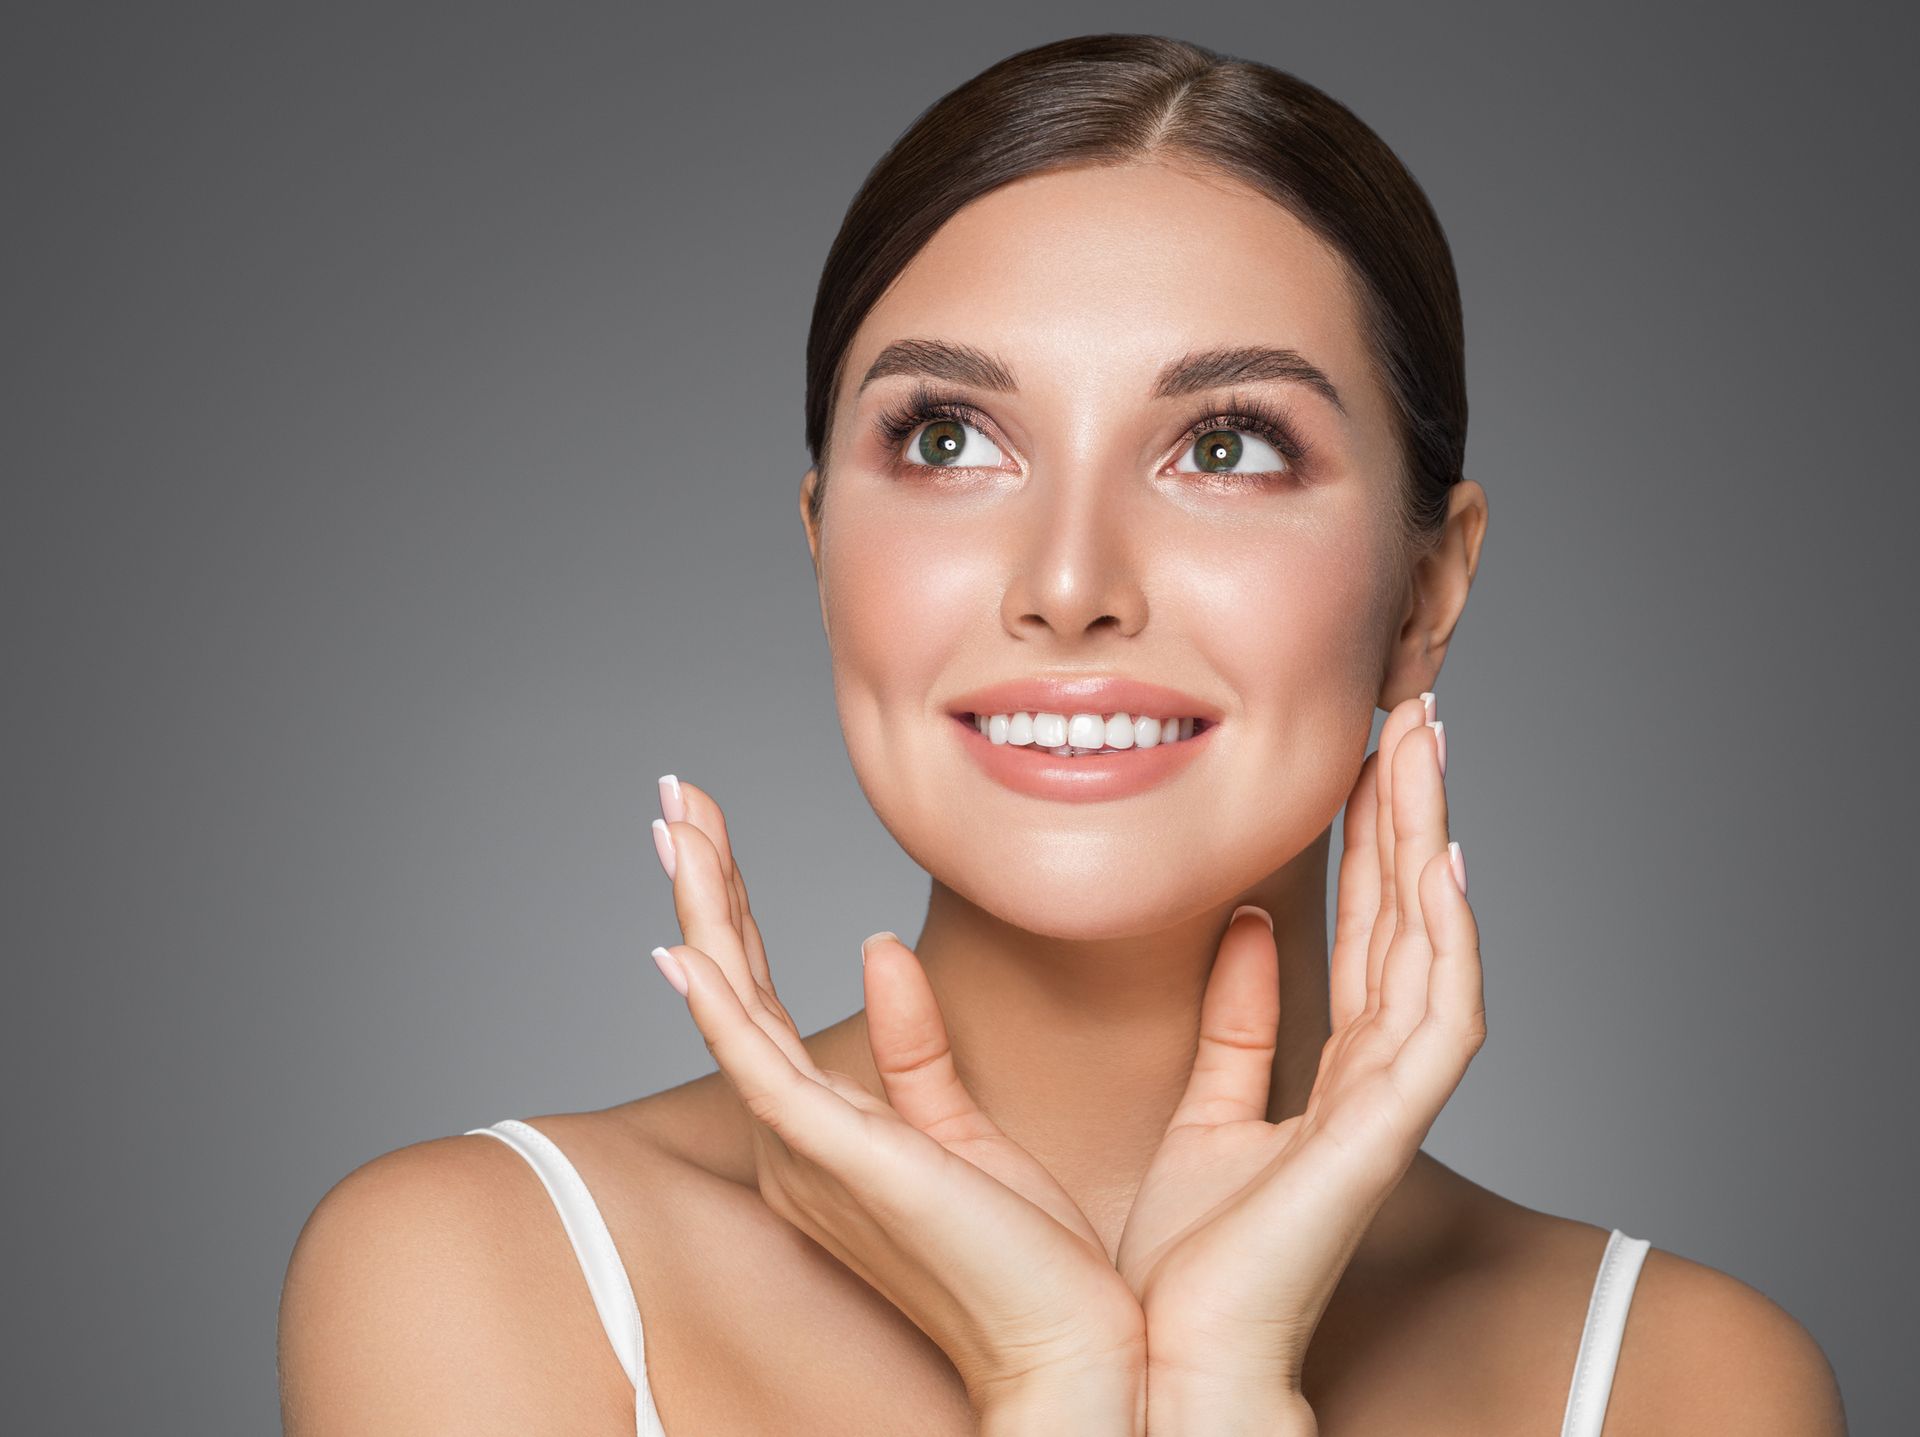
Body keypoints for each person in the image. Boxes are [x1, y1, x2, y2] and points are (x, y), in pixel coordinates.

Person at [276, 33, 1846, 1435]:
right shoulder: (480, 1277)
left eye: (1224, 445)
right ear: (826, 547)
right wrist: (1050, 1378)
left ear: (1425, 588)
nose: (1072, 583)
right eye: (949, 438)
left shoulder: (1684, 1385)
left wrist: (1224, 1387)